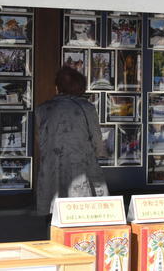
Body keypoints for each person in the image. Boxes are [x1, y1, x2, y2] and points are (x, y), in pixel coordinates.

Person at [35, 66, 108, 216]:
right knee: (82, 205)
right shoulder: (86, 108)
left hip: (51, 164)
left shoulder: (42, 109)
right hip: (80, 162)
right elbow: (96, 137)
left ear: (58, 87)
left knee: (53, 204)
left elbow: (40, 140)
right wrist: (99, 152)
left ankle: (52, 231)